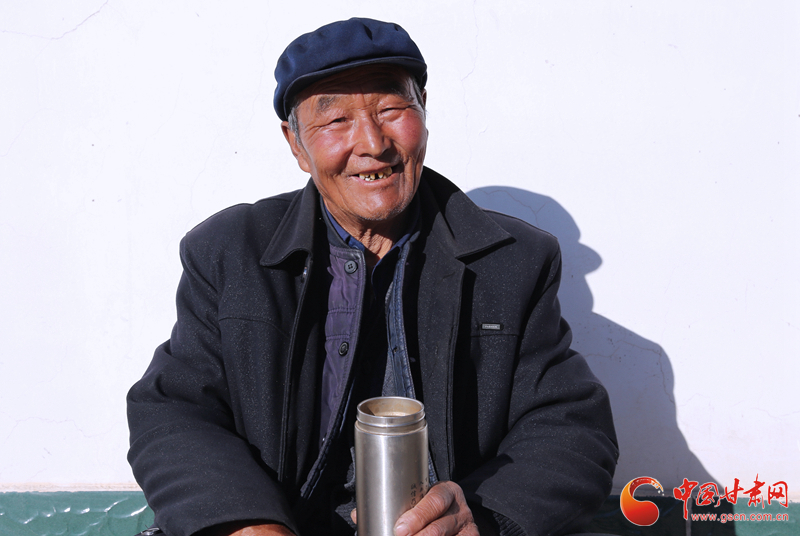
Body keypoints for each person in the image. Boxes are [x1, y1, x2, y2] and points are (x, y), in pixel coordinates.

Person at [127, 17, 618, 536]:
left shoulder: (512, 261)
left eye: (390, 109)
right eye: (335, 119)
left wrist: (480, 514)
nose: (372, 143)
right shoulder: (231, 252)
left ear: (423, 111)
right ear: (296, 145)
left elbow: (572, 428)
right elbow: (175, 412)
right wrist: (249, 525)